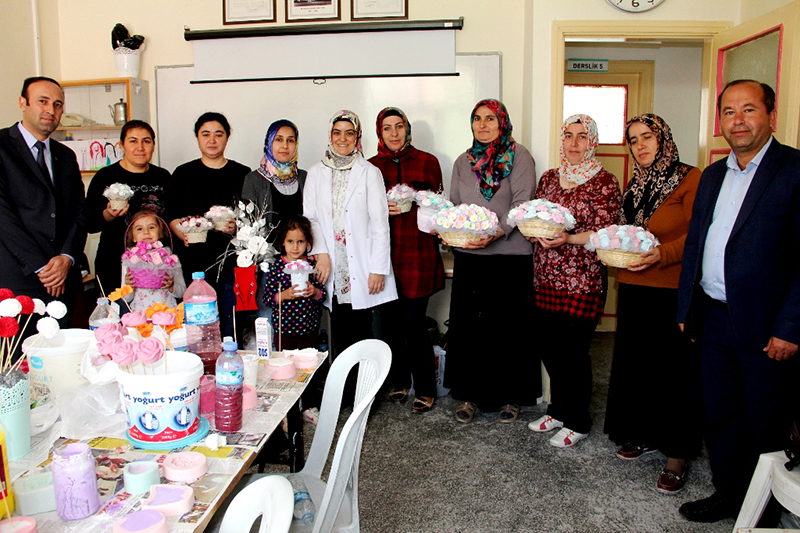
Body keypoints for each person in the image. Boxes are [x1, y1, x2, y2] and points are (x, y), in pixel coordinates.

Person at [677, 80, 800, 522]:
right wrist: (685, 309)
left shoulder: (794, 170)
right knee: (722, 414)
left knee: (764, 418)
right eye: (729, 111)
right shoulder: (713, 174)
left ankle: (768, 510)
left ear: (771, 114)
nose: (738, 120)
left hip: (766, 325)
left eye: (748, 109)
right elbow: (697, 244)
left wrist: (790, 326)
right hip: (713, 316)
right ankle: (729, 493)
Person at [603, 114, 703, 492]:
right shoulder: (637, 182)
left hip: (671, 289)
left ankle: (678, 454)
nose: (640, 145)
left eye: (647, 137)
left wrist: (660, 255)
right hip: (632, 284)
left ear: (664, 139)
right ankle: (645, 434)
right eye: (632, 139)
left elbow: (698, 236)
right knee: (639, 366)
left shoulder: (690, 178)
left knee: (675, 371)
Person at [526, 114, 621, 447]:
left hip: (583, 279)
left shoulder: (604, 181)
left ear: (592, 141)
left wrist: (568, 239)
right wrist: (536, 231)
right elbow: (536, 215)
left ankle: (578, 420)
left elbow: (606, 232)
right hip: (546, 276)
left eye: (582, 136)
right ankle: (558, 409)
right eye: (568, 135)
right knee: (550, 349)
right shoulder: (550, 178)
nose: (575, 143)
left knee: (574, 352)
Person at [444, 99, 539, 424]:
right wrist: (449, 229)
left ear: (502, 123)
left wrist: (496, 234)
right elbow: (455, 206)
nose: (483, 125)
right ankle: (471, 396)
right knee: (472, 331)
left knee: (509, 330)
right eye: (477, 119)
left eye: (490, 119)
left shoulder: (519, 156)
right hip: (471, 259)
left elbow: (522, 203)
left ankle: (510, 397)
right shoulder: (462, 161)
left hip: (510, 258)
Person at [368, 107, 445, 414]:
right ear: (379, 133)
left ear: (407, 129)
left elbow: (440, 206)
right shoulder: (370, 167)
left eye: (399, 126)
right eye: (388, 128)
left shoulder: (428, 162)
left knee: (414, 324)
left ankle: (425, 387)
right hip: (383, 257)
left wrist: (417, 206)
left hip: (418, 254)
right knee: (388, 325)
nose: (395, 133)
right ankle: (398, 380)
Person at [303, 109, 397, 358]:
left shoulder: (369, 172)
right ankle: (344, 392)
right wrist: (321, 253)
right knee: (340, 333)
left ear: (357, 137)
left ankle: (365, 394)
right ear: (330, 136)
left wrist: (378, 268)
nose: (342, 139)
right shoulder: (315, 172)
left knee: (363, 333)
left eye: (349, 133)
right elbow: (310, 218)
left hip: (362, 265)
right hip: (332, 266)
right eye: (337, 133)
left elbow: (380, 223)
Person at [0, 76, 86, 332]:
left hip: (63, 281)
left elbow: (80, 213)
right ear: (22, 103)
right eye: (43, 101)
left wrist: (66, 258)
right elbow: (3, 217)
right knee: (19, 363)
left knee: (61, 360)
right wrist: (43, 267)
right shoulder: (2, 147)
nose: (51, 110)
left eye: (58, 104)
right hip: (19, 279)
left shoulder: (66, 155)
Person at [165, 112, 250, 337]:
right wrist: (180, 232)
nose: (212, 140)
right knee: (199, 330)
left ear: (227, 138)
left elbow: (252, 219)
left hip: (233, 263)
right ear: (197, 138)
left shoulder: (243, 174)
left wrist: (237, 229)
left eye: (218, 134)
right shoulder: (183, 174)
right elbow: (171, 214)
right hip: (195, 264)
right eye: (206, 134)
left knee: (231, 326)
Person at [85, 120, 170, 292]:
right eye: (133, 141)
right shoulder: (105, 177)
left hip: (155, 265)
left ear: (153, 145)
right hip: (114, 264)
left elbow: (169, 220)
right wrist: (109, 214)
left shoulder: (163, 177)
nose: (140, 147)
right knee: (120, 314)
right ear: (121, 145)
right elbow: (90, 223)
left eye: (146, 141)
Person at [241, 120, 307, 322]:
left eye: (290, 140)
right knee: (268, 324)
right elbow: (246, 224)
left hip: (300, 264)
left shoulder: (305, 178)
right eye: (278, 140)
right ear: (269, 143)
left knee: (299, 323)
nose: (285, 146)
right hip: (268, 269)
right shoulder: (254, 179)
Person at [262, 215, 326, 350]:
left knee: (308, 366)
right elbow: (267, 299)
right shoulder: (276, 267)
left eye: (300, 241)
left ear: (308, 242)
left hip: (309, 330)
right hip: (284, 332)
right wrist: (283, 295)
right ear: (283, 242)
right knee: (286, 366)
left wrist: (315, 292)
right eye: (290, 241)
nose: (295, 247)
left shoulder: (312, 264)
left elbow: (323, 294)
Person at [121, 211, 185, 311]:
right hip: (140, 315)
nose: (146, 232)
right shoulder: (130, 260)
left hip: (167, 313)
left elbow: (181, 292)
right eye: (139, 229)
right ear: (133, 237)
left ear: (160, 232)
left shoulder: (170, 258)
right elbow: (126, 298)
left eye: (151, 227)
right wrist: (128, 285)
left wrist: (171, 286)